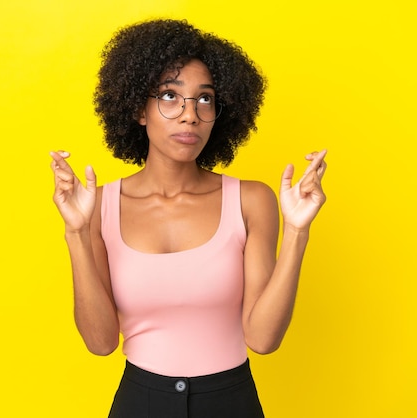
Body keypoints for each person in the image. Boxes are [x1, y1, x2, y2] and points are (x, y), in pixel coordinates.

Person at [50, 18, 327, 418]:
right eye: (169, 96)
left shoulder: (250, 200)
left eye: (204, 99)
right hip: (140, 402)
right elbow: (100, 342)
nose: (189, 115)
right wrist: (76, 232)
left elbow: (263, 339)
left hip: (231, 401)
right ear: (138, 110)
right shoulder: (99, 206)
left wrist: (298, 231)